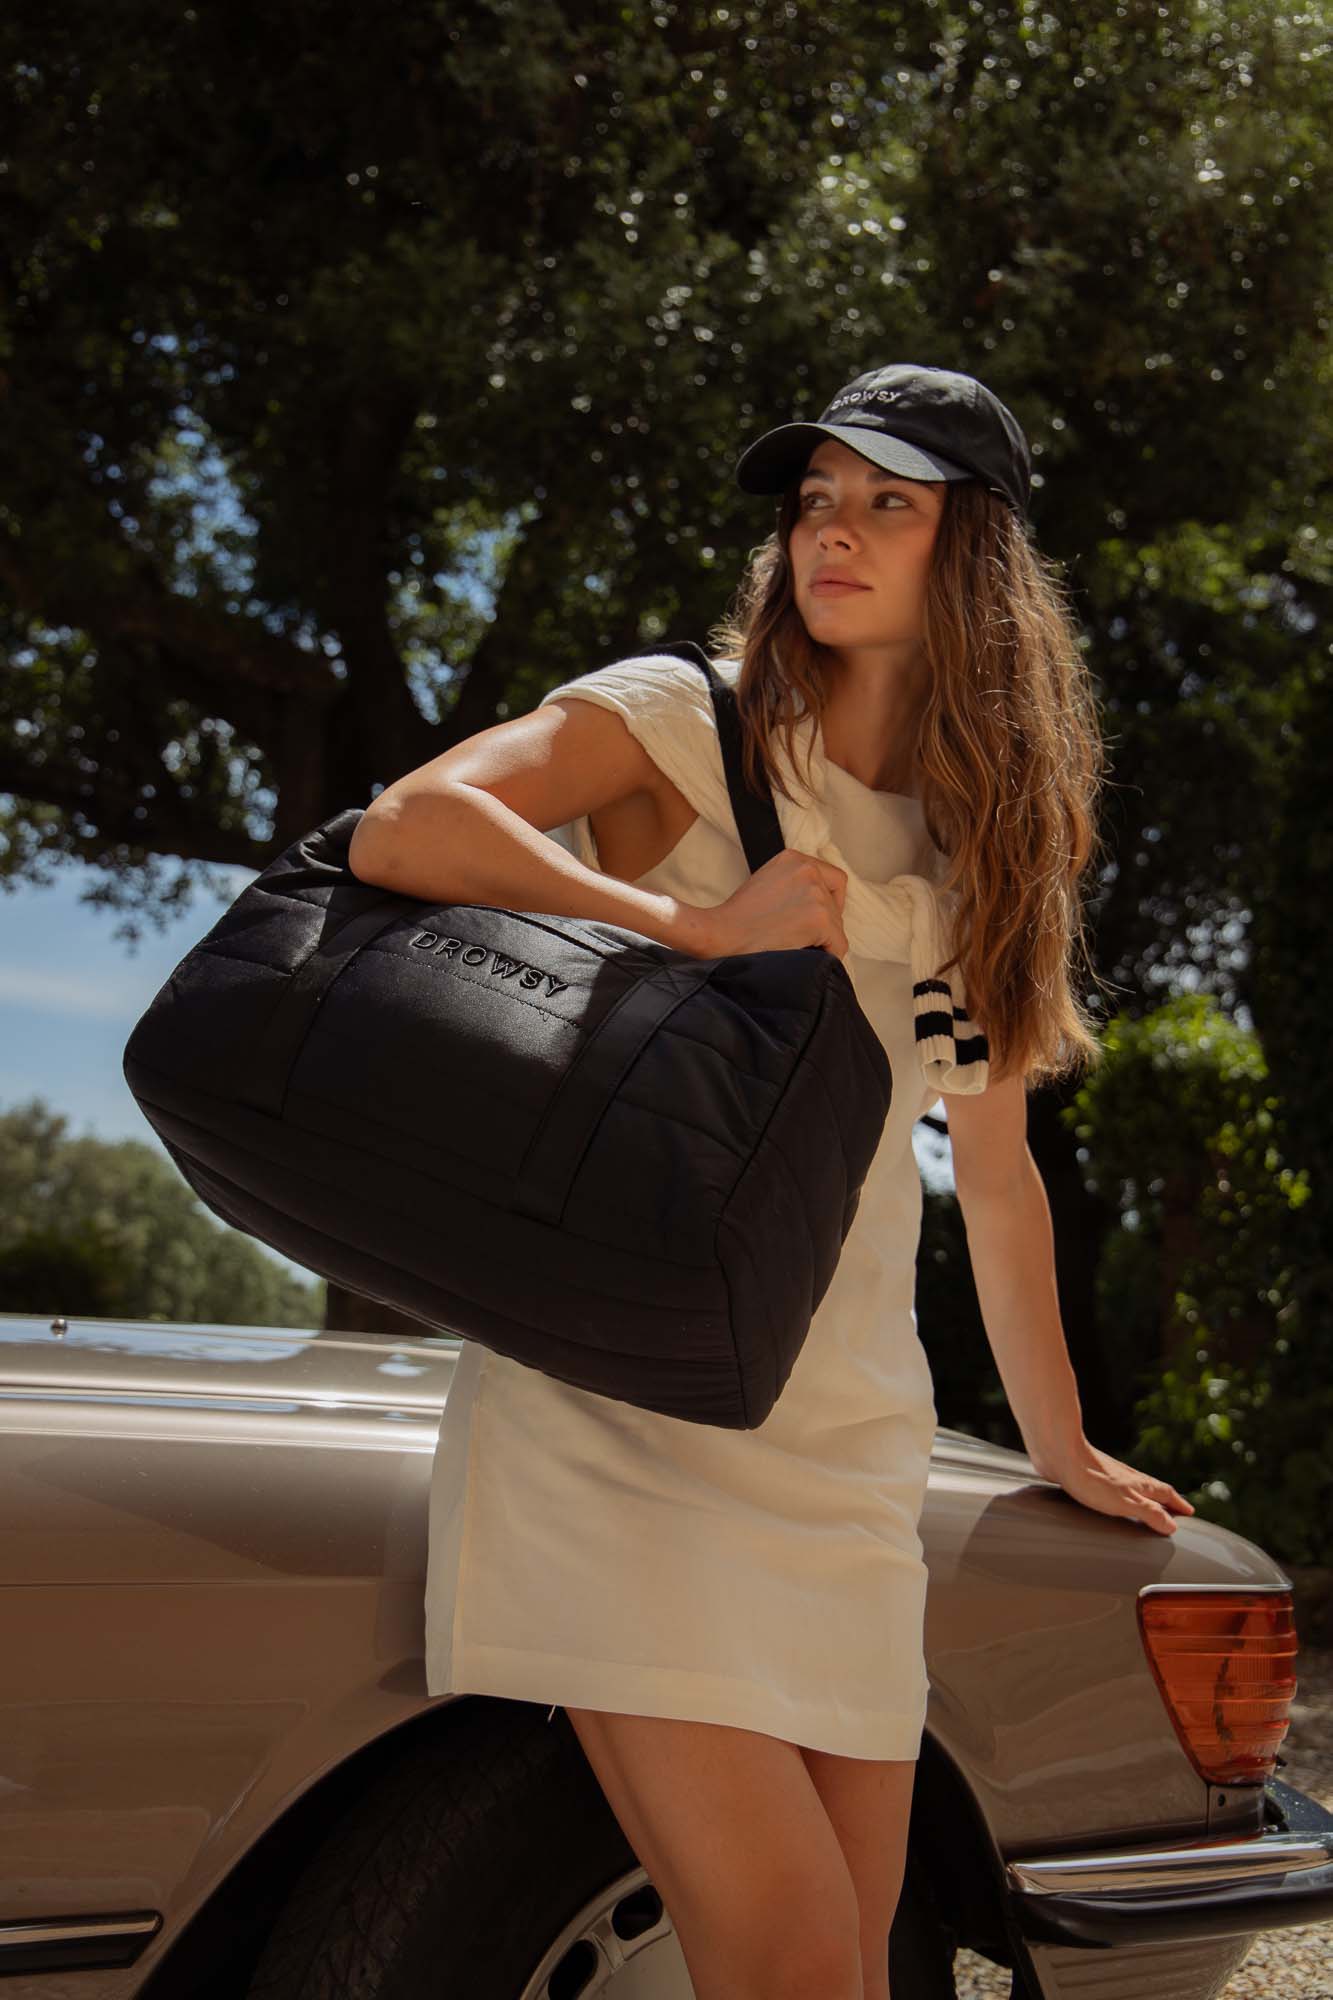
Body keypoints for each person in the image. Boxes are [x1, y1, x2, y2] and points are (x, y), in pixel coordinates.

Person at [350, 362, 1194, 2000]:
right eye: (818, 498)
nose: (837, 531)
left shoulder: (995, 836)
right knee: (796, 1963)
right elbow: (406, 826)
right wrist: (688, 923)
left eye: (890, 502)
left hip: (845, 1447)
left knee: (845, 1976)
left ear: (978, 556)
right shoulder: (683, 716)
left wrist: (1060, 1441)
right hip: (621, 1409)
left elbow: (998, 1178)